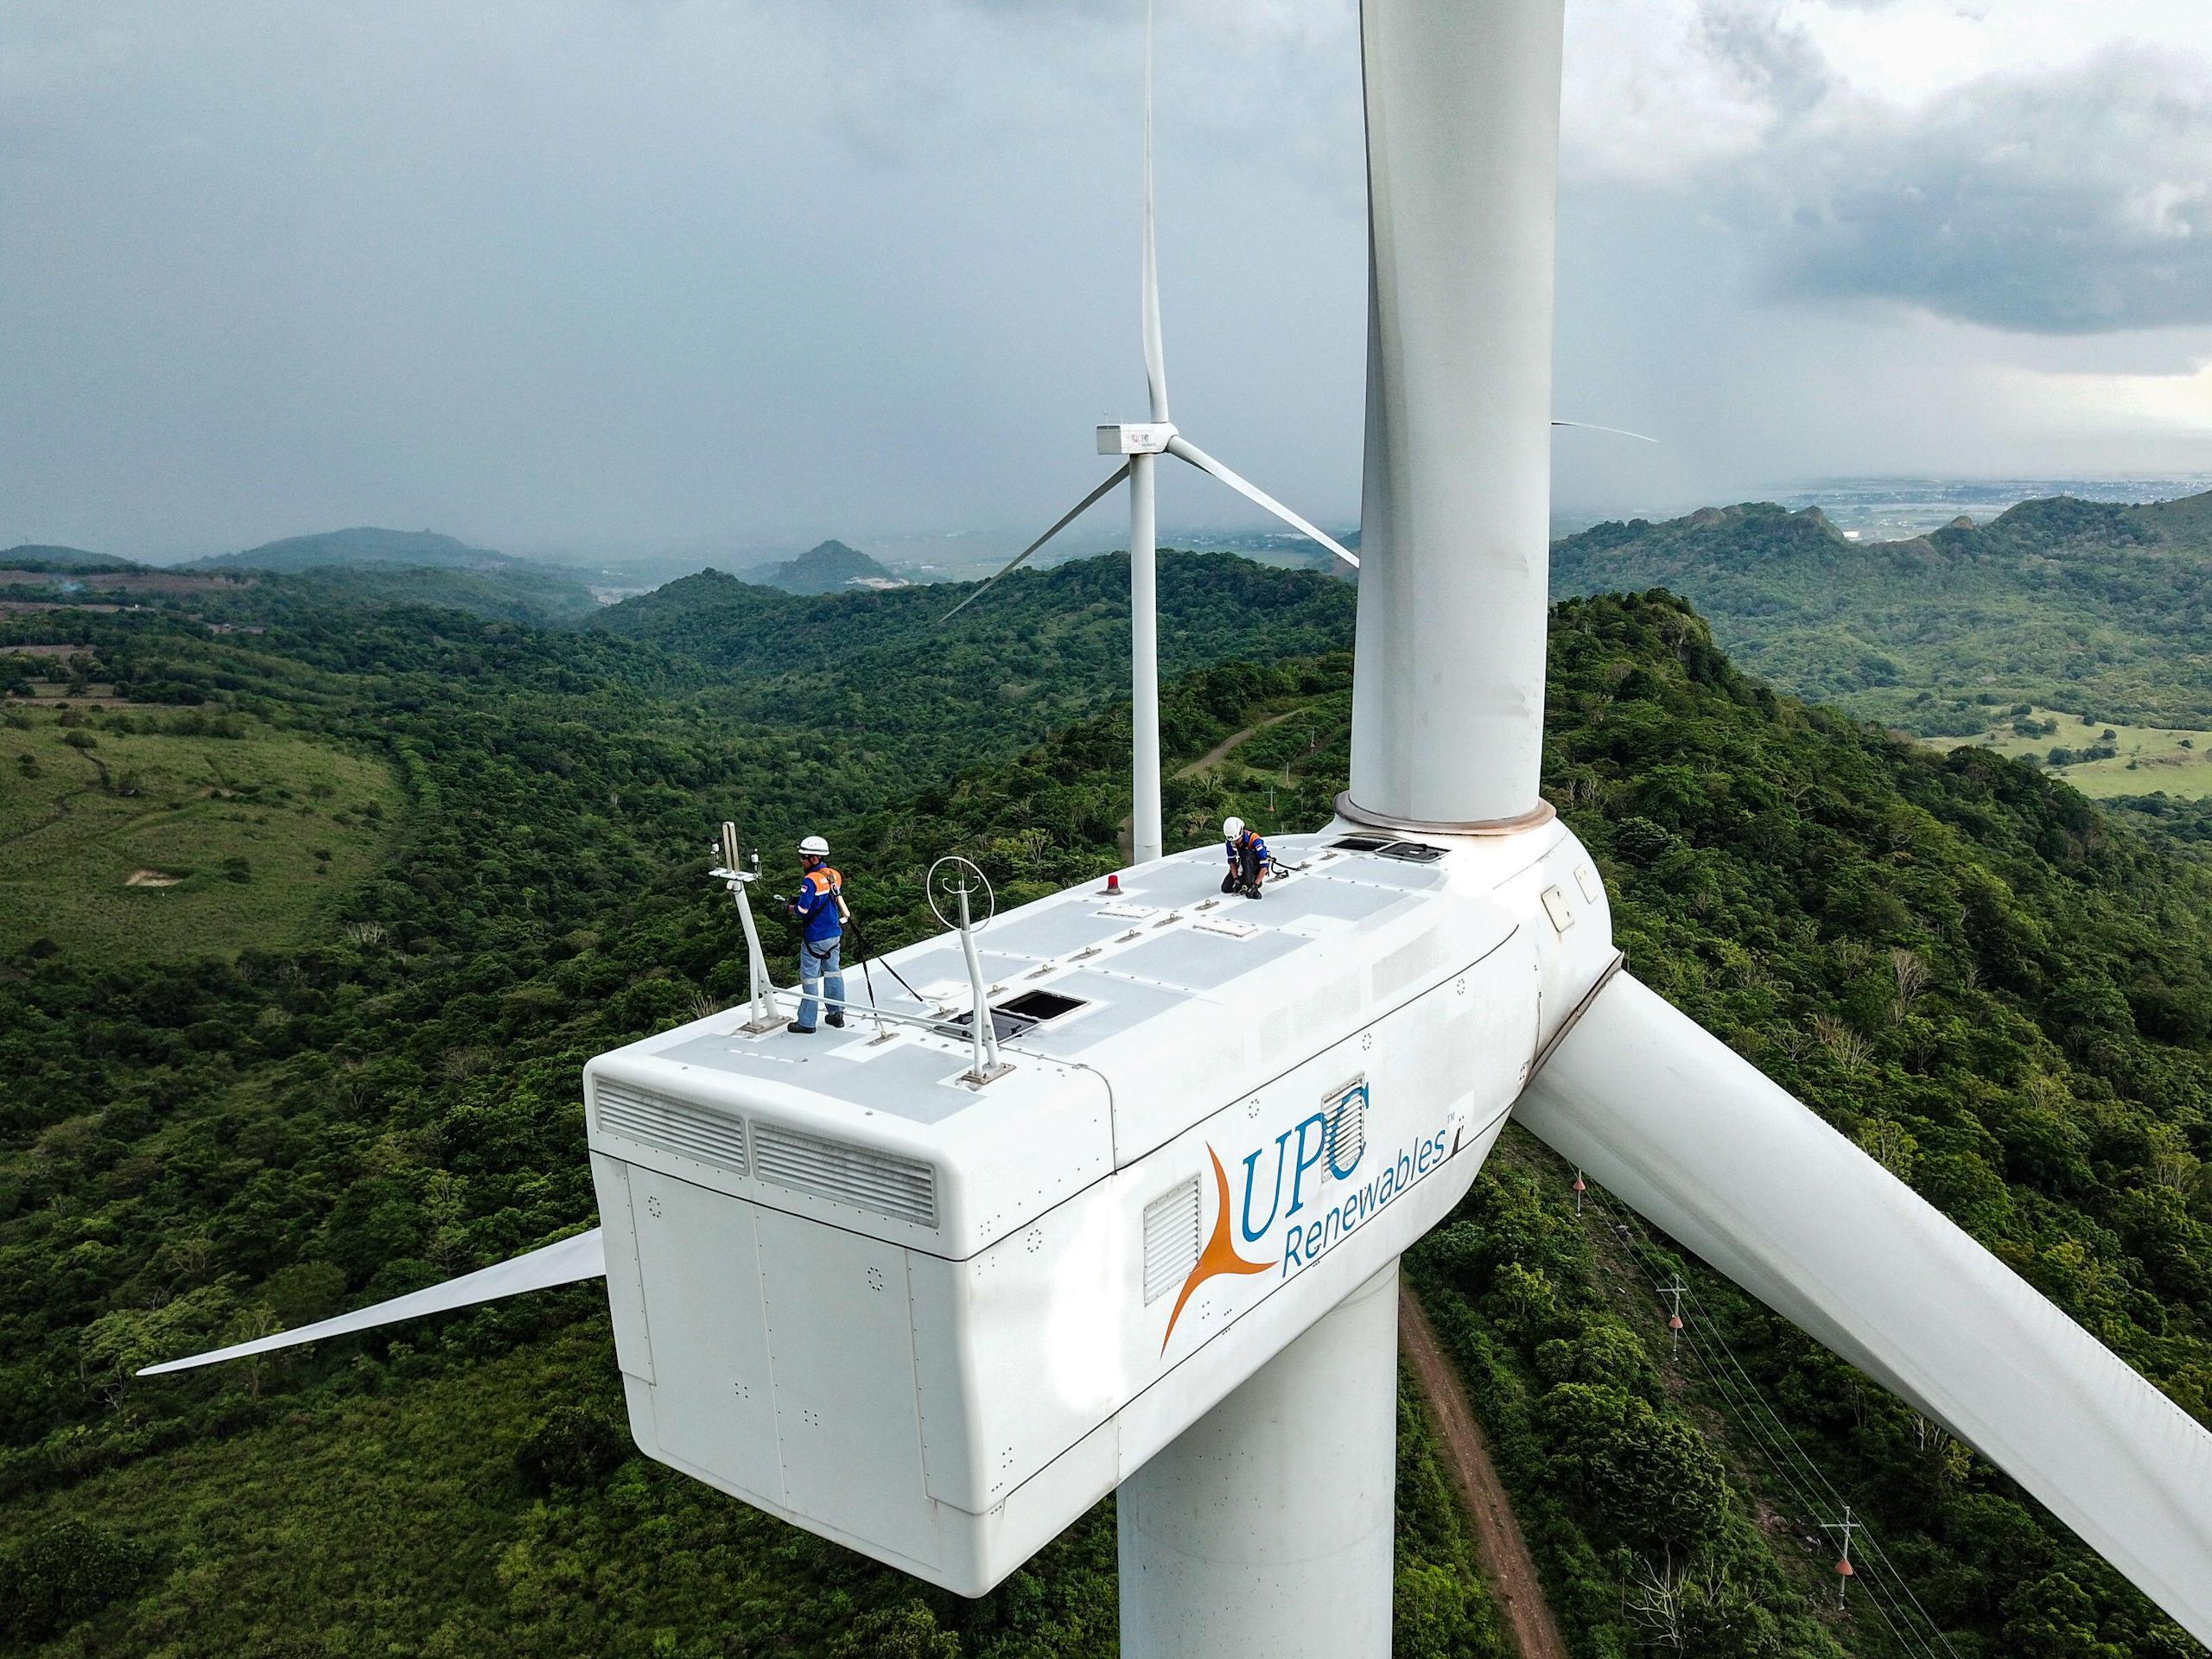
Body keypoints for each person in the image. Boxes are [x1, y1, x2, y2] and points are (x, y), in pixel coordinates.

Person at [787, 834, 848, 1033]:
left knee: (810, 978)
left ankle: (806, 1022)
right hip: (833, 933)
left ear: (814, 859)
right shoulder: (834, 875)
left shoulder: (810, 880)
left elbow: (803, 910)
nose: (801, 860)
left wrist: (789, 907)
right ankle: (836, 1013)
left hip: (815, 937)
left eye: (804, 857)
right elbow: (825, 899)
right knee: (833, 973)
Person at [1221, 815, 1272, 898]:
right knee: (1226, 888)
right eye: (1233, 841)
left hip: (1255, 866)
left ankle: (1250, 882)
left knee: (1246, 853)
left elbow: (1264, 866)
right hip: (1243, 865)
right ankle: (1244, 881)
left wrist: (1255, 884)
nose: (1235, 843)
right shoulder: (1230, 842)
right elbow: (1232, 861)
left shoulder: (1255, 840)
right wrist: (1236, 879)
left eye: (1237, 840)